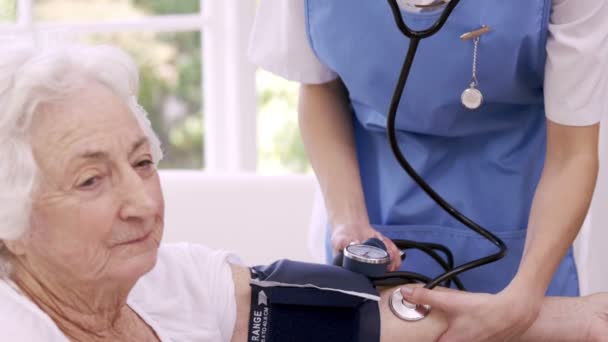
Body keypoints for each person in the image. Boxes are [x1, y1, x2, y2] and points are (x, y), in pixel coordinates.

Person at [0, 38, 607, 342]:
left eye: (142, 163)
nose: (141, 204)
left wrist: (578, 321)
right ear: (11, 222)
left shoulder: (168, 281)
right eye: (90, 181)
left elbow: (354, 317)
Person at [249, 1, 606, 340]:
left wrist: (524, 299)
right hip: (368, 205)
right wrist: (347, 218)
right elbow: (318, 85)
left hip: (524, 215)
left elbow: (572, 153)